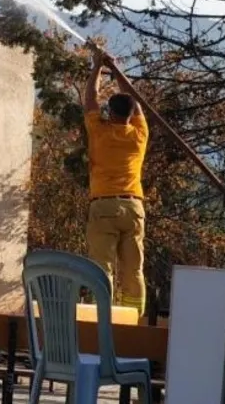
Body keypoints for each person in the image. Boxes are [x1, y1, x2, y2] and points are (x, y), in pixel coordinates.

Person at [83, 48, 149, 315]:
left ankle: (103, 320)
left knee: (102, 268)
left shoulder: (99, 131)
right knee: (134, 269)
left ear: (110, 112)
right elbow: (134, 100)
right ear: (132, 114)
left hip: (104, 206)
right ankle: (133, 320)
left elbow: (90, 99)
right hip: (133, 207)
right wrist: (117, 69)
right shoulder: (140, 134)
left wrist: (98, 66)